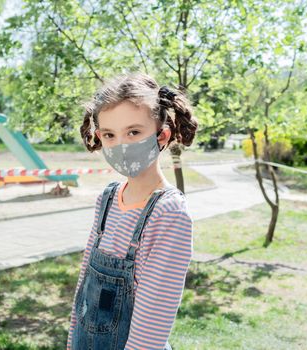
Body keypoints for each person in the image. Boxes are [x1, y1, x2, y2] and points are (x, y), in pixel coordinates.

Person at [66, 72, 199, 350]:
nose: (122, 146)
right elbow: (84, 288)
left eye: (134, 132)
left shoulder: (168, 213)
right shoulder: (107, 199)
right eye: (110, 135)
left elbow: (151, 330)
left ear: (162, 135)